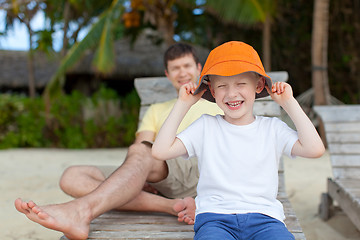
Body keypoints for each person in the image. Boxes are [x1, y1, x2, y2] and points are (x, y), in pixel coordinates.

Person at [14, 43, 223, 240]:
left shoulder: (218, 102)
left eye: (186, 66)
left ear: (199, 68)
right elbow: (142, 147)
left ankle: (81, 210)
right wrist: (143, 175)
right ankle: (171, 206)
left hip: (198, 168)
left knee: (142, 154)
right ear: (167, 75)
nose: (182, 72)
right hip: (164, 172)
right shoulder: (157, 109)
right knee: (72, 176)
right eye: (175, 68)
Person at [152, 41, 325, 239]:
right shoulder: (205, 127)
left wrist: (289, 103)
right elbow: (160, 151)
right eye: (222, 86)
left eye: (241, 84)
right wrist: (183, 104)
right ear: (213, 91)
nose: (232, 93)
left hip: (265, 219)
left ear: (259, 85)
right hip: (215, 219)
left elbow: (315, 149)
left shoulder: (272, 128)